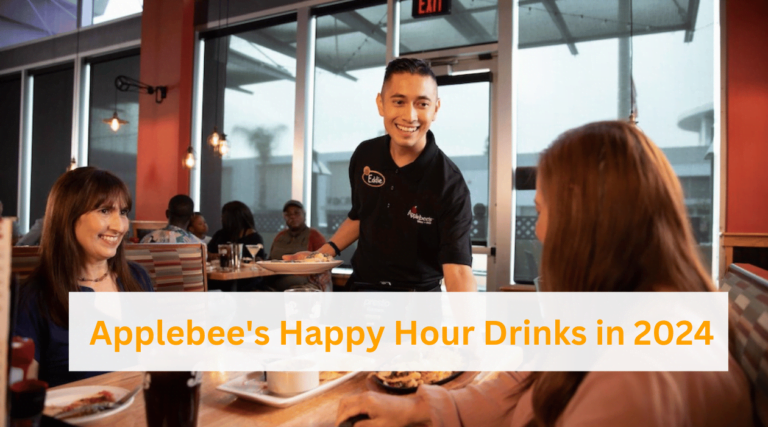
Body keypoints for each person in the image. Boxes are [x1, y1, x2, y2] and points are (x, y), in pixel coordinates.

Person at [335, 121, 752, 427]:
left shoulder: (640, 371)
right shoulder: (623, 311)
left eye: (541, 210)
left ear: (584, 220)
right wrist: (420, 407)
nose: (538, 230)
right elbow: (532, 381)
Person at [288, 58, 475, 292]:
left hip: (417, 300)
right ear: (381, 104)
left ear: (435, 109)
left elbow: (457, 270)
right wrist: (321, 255)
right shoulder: (365, 155)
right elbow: (361, 216)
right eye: (398, 101)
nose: (410, 116)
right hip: (360, 290)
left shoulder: (450, 183)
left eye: (422, 104)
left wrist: (470, 328)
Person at [14, 167, 154, 388]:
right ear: (67, 216)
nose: (119, 226)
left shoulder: (137, 278)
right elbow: (21, 400)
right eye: (104, 211)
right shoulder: (33, 298)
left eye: (124, 212)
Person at [265, 200, 331, 291]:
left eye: (296, 213)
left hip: (304, 279)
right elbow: (270, 260)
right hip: (275, 277)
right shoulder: (280, 236)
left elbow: (325, 262)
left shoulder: (314, 236)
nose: (292, 216)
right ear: (284, 217)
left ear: (304, 215)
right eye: (288, 214)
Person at [208, 201, 266, 291]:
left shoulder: (254, 238)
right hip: (220, 279)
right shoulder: (221, 234)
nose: (221, 219)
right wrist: (215, 256)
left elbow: (259, 261)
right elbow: (206, 253)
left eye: (223, 216)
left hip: (246, 282)